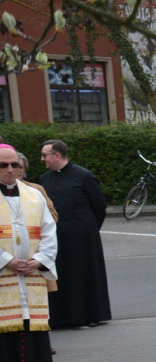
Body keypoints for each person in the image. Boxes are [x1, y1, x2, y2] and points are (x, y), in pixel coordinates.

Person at [0, 144, 57, 362]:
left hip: (31, 272)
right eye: (4, 165)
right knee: (5, 327)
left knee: (32, 323)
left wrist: (39, 259)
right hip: (4, 274)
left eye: (15, 165)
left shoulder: (34, 195)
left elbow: (49, 231)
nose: (11, 170)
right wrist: (6, 260)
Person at [38, 139, 111, 328]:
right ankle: (60, 317)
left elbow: (99, 206)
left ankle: (87, 315)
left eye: (45, 155)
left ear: (58, 155)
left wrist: (88, 229)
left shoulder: (83, 176)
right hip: (55, 238)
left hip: (82, 239)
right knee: (59, 278)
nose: (42, 159)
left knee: (81, 277)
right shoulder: (44, 179)